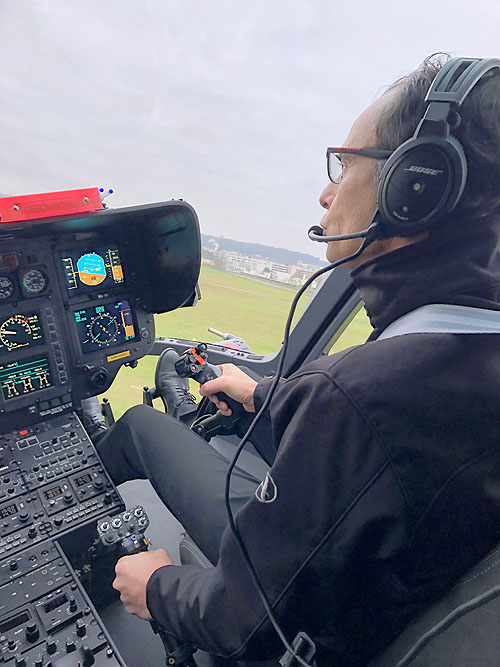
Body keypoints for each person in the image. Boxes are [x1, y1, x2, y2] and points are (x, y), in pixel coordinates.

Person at [92, 55, 500, 665]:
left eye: (345, 164)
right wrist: (264, 394)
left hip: (314, 630)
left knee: (136, 428)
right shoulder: (464, 348)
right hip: (378, 593)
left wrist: (153, 584)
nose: (326, 192)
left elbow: (242, 623)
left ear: (416, 186)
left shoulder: (357, 396)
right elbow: (390, 446)